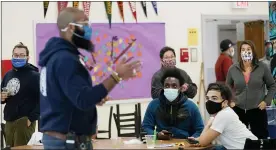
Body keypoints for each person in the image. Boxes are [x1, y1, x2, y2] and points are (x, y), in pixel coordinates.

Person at [39, 7, 141, 150]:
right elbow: (83, 99)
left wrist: (95, 97)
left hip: (61, 139)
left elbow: (70, 97)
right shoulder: (65, 59)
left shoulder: (56, 57)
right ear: (69, 28)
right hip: (66, 142)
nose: (89, 29)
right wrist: (116, 76)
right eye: (85, 24)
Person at [226, 40, 276, 139]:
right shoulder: (233, 69)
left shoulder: (262, 67)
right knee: (240, 141)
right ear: (240, 53)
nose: (246, 52)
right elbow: (227, 87)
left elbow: (272, 85)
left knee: (260, 140)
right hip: (239, 110)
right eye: (243, 49)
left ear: (253, 51)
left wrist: (266, 101)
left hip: (258, 110)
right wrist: (230, 101)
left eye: (248, 49)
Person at [189, 83, 258, 149]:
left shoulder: (224, 115)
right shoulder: (224, 112)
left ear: (225, 102)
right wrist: (196, 139)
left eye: (214, 98)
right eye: (207, 98)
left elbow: (203, 142)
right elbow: (208, 137)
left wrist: (208, 125)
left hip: (249, 147)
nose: (209, 101)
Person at [142, 68, 204, 140]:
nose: (170, 88)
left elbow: (200, 130)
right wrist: (157, 135)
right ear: (163, 87)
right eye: (167, 86)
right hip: (160, 145)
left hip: (184, 145)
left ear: (180, 88)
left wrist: (192, 139)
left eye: (174, 86)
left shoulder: (191, 107)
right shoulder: (153, 105)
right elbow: (145, 128)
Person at [0, 42, 40, 147]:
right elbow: (2, 95)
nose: (18, 57)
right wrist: (2, 98)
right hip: (8, 120)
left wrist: (31, 118)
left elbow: (45, 100)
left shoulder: (35, 76)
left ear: (27, 57)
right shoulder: (8, 74)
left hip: (24, 121)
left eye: (22, 55)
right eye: (16, 55)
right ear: (12, 56)